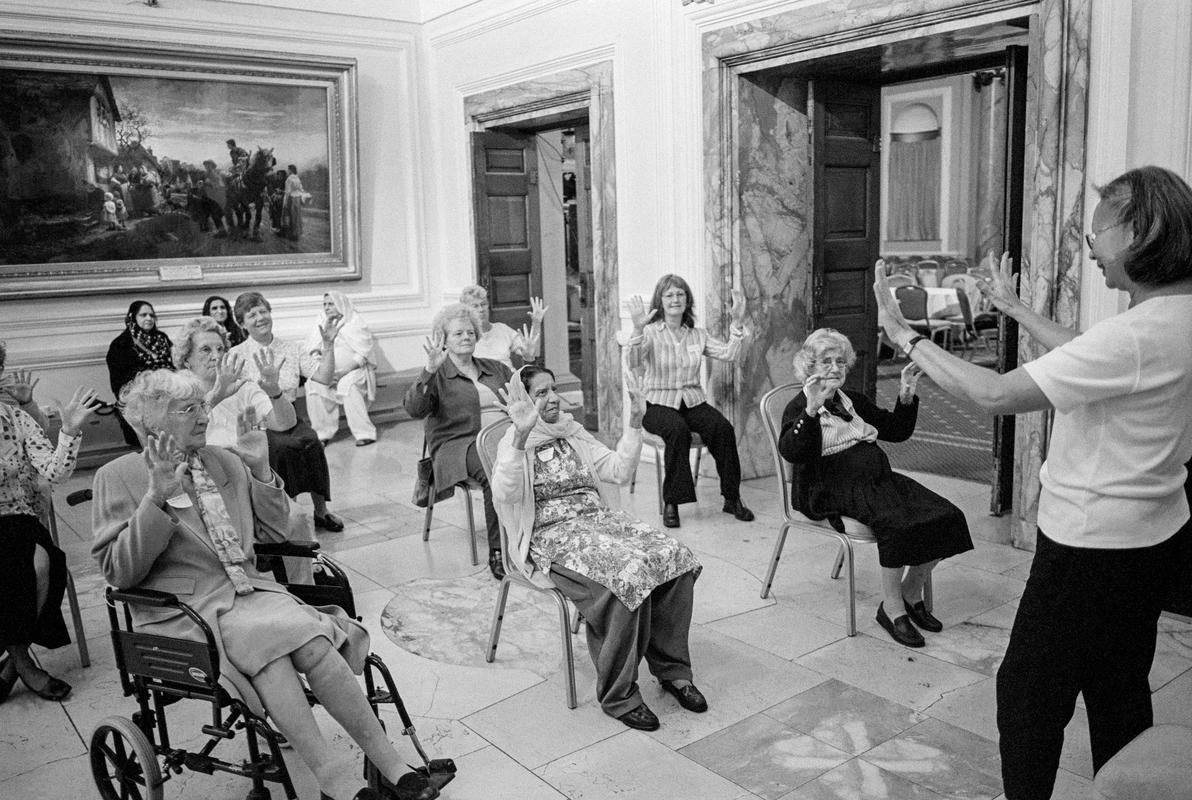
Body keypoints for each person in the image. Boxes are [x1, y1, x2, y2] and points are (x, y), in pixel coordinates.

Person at [872, 166, 1192, 800]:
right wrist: (1014, 308)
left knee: (1026, 694)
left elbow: (993, 393)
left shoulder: (1138, 334)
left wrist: (903, 335)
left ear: (1138, 231)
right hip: (1154, 536)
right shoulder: (1170, 320)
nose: (1090, 250)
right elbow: (1095, 353)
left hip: (1088, 548)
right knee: (1117, 680)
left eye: (1095, 233)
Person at [90, 370, 418, 800]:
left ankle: (387, 760)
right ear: (153, 422)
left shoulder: (223, 460)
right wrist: (156, 499)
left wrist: (261, 471)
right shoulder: (119, 476)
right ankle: (333, 774)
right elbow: (118, 571)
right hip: (182, 611)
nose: (204, 416)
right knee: (275, 651)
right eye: (189, 410)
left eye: (202, 406)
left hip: (250, 594)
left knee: (314, 643)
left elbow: (277, 533)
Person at [490, 365, 706, 731]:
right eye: (541, 393)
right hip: (551, 534)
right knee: (626, 576)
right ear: (523, 402)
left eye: (553, 389)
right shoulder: (515, 442)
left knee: (675, 558)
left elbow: (619, 471)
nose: (553, 398)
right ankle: (619, 694)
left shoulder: (572, 432)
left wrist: (634, 424)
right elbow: (505, 493)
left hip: (598, 521)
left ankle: (672, 670)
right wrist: (521, 434)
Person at [778, 328, 973, 648]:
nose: (835, 368)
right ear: (809, 366)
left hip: (877, 479)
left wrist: (906, 393)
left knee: (946, 516)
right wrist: (812, 410)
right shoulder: (800, 405)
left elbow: (896, 431)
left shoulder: (851, 399)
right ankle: (892, 610)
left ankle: (911, 592)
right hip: (829, 486)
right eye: (826, 361)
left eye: (841, 361)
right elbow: (793, 451)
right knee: (895, 524)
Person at [1, 338, 102, 705]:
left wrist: (70, 431)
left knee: (45, 564)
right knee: (12, 570)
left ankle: (13, 659)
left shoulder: (16, 418)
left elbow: (55, 472)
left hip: (18, 517)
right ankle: (24, 663)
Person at [624, 274, 753, 528]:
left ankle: (732, 497)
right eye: (669, 295)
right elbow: (633, 362)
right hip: (657, 403)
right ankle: (672, 503)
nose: (675, 299)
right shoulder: (650, 332)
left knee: (723, 429)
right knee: (677, 431)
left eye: (680, 294)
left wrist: (737, 322)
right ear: (660, 301)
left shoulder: (697, 334)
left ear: (687, 300)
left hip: (692, 401)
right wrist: (637, 329)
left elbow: (729, 353)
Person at [403, 304, 511, 579]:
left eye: (470, 332)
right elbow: (414, 409)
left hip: (506, 439)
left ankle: (535, 536)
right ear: (443, 340)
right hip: (459, 446)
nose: (466, 337)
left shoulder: (495, 368)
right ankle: (499, 551)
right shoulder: (437, 373)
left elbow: (526, 394)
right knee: (497, 471)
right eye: (458, 333)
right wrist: (428, 370)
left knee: (539, 461)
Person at [231, 292, 344, 533]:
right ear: (242, 323)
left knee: (311, 442)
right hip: (257, 419)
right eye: (252, 315)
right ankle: (286, 513)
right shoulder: (236, 355)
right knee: (281, 449)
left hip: (288, 413)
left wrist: (329, 346)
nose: (260, 318)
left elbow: (323, 377)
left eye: (263, 311)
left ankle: (321, 511)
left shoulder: (292, 348)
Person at [173, 317, 295, 447]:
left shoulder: (244, 387)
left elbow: (284, 424)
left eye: (220, 349)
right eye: (206, 350)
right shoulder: (178, 394)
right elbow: (179, 440)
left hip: (248, 463)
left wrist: (275, 393)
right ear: (186, 360)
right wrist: (212, 401)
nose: (217, 356)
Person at [304, 292, 378, 446]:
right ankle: (322, 433)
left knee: (347, 385)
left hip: (354, 370)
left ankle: (364, 433)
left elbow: (363, 354)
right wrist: (322, 364)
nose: (327, 307)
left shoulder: (355, 321)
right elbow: (312, 348)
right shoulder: (321, 321)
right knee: (313, 384)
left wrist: (341, 373)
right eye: (324, 304)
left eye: (330, 304)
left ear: (340, 304)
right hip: (327, 369)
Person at [107, 300, 174, 448]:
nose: (148, 318)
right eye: (143, 315)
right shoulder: (121, 344)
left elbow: (174, 366)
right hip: (140, 405)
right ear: (132, 317)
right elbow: (120, 383)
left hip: (168, 400)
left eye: (151, 315)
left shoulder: (162, 339)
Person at [459, 284, 547, 369]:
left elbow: (533, 352)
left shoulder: (502, 329)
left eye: (483, 304)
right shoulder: (465, 338)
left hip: (510, 380)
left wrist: (536, 323)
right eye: (475, 306)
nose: (481, 309)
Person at [281, 164, 307, 242]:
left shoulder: (289, 179)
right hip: (297, 199)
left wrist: (285, 202)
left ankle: (292, 234)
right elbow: (301, 189)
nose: (287, 171)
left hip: (291, 199)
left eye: (288, 170)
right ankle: (296, 234)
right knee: (297, 216)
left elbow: (288, 192)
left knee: (290, 216)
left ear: (290, 170)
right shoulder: (297, 178)